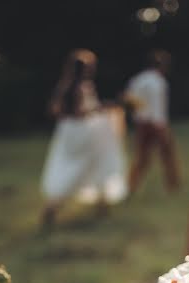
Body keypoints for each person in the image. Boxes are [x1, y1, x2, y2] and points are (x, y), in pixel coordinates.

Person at [41, 49, 127, 226]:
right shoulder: (80, 87)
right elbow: (81, 112)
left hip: (69, 133)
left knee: (88, 166)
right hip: (83, 134)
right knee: (92, 165)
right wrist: (99, 109)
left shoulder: (65, 86)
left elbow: (55, 110)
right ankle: (53, 208)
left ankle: (101, 207)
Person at [124, 49, 180, 194]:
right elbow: (157, 107)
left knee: (142, 158)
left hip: (141, 123)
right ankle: (172, 186)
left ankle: (131, 186)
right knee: (167, 155)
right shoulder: (158, 82)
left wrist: (138, 118)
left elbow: (130, 101)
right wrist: (161, 126)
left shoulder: (137, 79)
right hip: (156, 123)